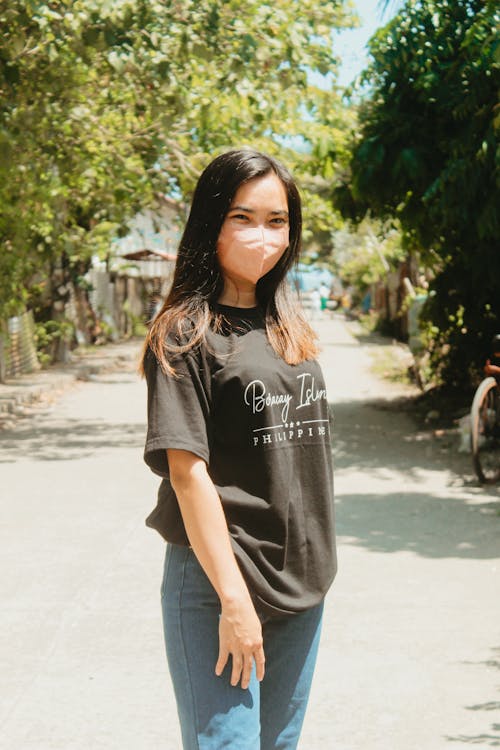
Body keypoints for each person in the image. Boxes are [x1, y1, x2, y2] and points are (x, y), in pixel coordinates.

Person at [140, 148, 337, 750]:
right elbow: (187, 474)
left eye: (277, 221)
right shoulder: (186, 331)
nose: (263, 236)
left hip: (299, 579)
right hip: (218, 582)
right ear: (210, 224)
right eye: (242, 218)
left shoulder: (287, 324)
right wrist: (233, 601)